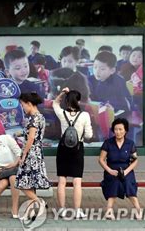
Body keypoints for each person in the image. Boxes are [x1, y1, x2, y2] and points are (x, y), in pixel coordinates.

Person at [53, 87, 93, 219]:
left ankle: (62, 210)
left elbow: (55, 103)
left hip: (63, 149)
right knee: (77, 181)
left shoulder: (62, 114)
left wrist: (62, 93)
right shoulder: (84, 115)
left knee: (62, 181)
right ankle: (77, 210)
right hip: (77, 149)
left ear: (67, 102)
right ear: (79, 102)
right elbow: (89, 135)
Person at [99, 118, 141, 219]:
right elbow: (101, 160)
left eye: (120, 129)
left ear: (125, 130)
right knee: (114, 182)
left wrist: (126, 171)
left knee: (128, 183)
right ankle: (109, 211)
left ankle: (138, 210)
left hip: (127, 170)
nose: (118, 132)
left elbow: (135, 160)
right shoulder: (108, 143)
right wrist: (109, 170)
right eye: (116, 129)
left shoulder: (130, 144)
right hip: (111, 170)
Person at [16, 93, 51, 209]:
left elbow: (31, 138)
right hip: (37, 152)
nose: (23, 108)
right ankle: (32, 211)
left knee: (22, 183)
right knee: (31, 183)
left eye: (23, 105)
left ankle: (39, 201)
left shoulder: (33, 119)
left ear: (29, 104)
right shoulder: (40, 117)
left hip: (31, 153)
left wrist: (24, 155)